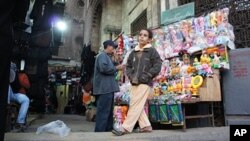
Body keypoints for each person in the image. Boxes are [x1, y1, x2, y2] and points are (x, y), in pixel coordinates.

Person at [112, 29, 162, 136]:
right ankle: (146, 126)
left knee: (134, 104)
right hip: (134, 82)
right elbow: (128, 66)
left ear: (149, 39)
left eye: (145, 35)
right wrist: (130, 76)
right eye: (140, 35)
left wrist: (147, 75)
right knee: (136, 104)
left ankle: (125, 128)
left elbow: (157, 65)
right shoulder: (133, 52)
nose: (142, 37)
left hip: (145, 83)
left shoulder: (152, 51)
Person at [93, 40, 124, 132]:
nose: (114, 49)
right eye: (113, 47)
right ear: (108, 46)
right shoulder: (102, 56)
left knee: (108, 111)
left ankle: (107, 129)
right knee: (103, 111)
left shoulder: (107, 57)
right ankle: (99, 131)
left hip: (108, 88)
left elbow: (115, 63)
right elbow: (104, 69)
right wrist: (117, 68)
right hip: (104, 88)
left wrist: (116, 58)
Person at [8, 62, 30, 132]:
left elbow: (27, 85)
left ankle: (20, 121)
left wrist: (20, 81)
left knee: (26, 99)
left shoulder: (22, 75)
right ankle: (7, 106)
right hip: (8, 92)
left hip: (14, 93)